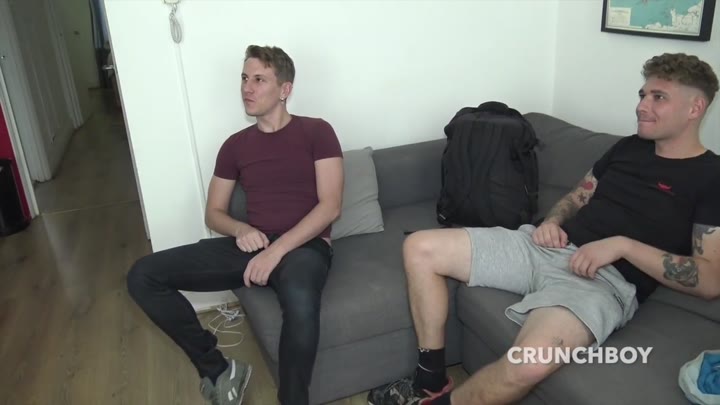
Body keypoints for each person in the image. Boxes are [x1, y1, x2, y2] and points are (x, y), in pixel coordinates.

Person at [368, 52, 720, 405]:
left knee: (530, 362)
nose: (642, 106)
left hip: (602, 282)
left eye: (658, 97)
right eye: (643, 95)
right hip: (545, 247)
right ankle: (429, 379)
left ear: (695, 108)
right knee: (420, 247)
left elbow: (709, 280)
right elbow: (579, 196)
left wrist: (622, 246)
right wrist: (552, 221)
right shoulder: (629, 147)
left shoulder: (711, 177)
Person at [127, 45, 344, 405]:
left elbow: (331, 206)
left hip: (305, 246)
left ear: (285, 89)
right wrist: (241, 230)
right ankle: (217, 370)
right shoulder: (235, 146)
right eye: (244, 78)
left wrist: (275, 252)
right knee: (143, 275)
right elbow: (213, 213)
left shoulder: (317, 132)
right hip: (253, 243)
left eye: (259, 79)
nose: (247, 87)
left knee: (301, 302)